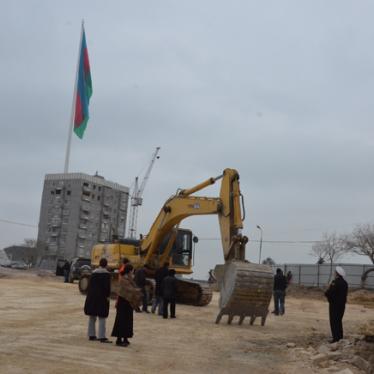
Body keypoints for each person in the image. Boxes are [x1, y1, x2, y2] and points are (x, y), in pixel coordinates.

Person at [111, 264, 142, 347]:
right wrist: (137, 291)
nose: (133, 272)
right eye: (132, 270)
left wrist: (137, 290)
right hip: (123, 302)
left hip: (128, 303)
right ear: (129, 271)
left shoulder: (129, 279)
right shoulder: (123, 279)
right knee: (121, 321)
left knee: (128, 321)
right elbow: (129, 290)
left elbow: (133, 288)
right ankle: (119, 339)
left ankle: (125, 338)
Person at [83, 258, 112, 343]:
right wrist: (108, 296)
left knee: (92, 316)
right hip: (102, 298)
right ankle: (101, 336)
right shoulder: (106, 275)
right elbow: (107, 288)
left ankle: (91, 335)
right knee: (102, 317)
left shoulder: (94, 273)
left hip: (92, 297)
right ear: (106, 265)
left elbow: (90, 286)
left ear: (99, 264)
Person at [324, 266, 348, 343]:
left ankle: (335, 339)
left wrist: (326, 292)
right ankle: (340, 337)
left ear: (337, 274)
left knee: (334, 321)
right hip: (342, 305)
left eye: (335, 272)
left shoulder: (335, 282)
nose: (334, 273)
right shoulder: (345, 283)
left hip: (334, 305)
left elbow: (330, 293)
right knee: (339, 321)